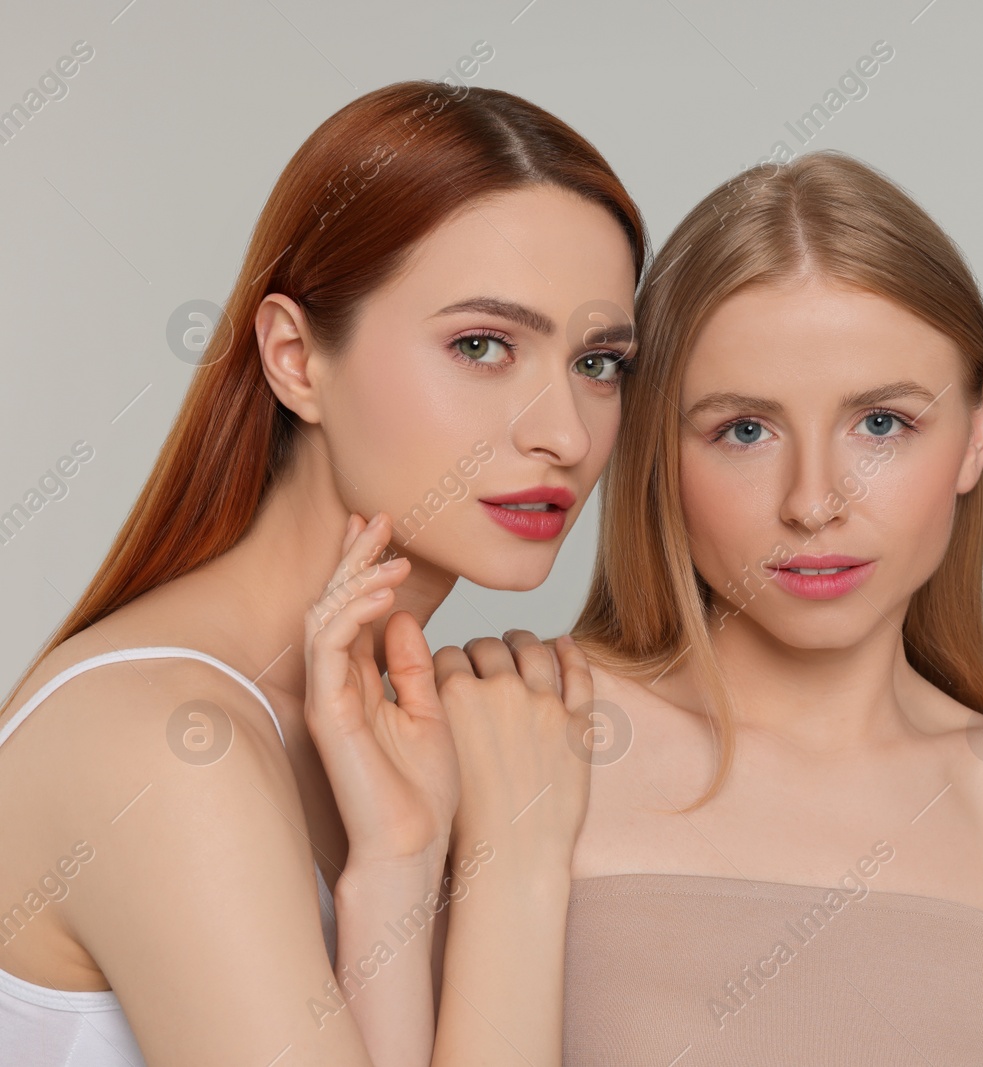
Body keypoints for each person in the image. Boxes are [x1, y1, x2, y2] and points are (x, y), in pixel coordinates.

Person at [0, 79, 642, 1066]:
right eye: (481, 345)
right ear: (296, 358)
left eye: (600, 362)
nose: (562, 433)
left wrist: (398, 866)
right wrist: (514, 862)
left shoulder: (379, 730)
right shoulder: (167, 739)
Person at [560, 151, 983, 1066]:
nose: (813, 502)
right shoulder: (522, 734)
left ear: (977, 430)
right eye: (744, 429)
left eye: (881, 423)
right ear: (657, 445)